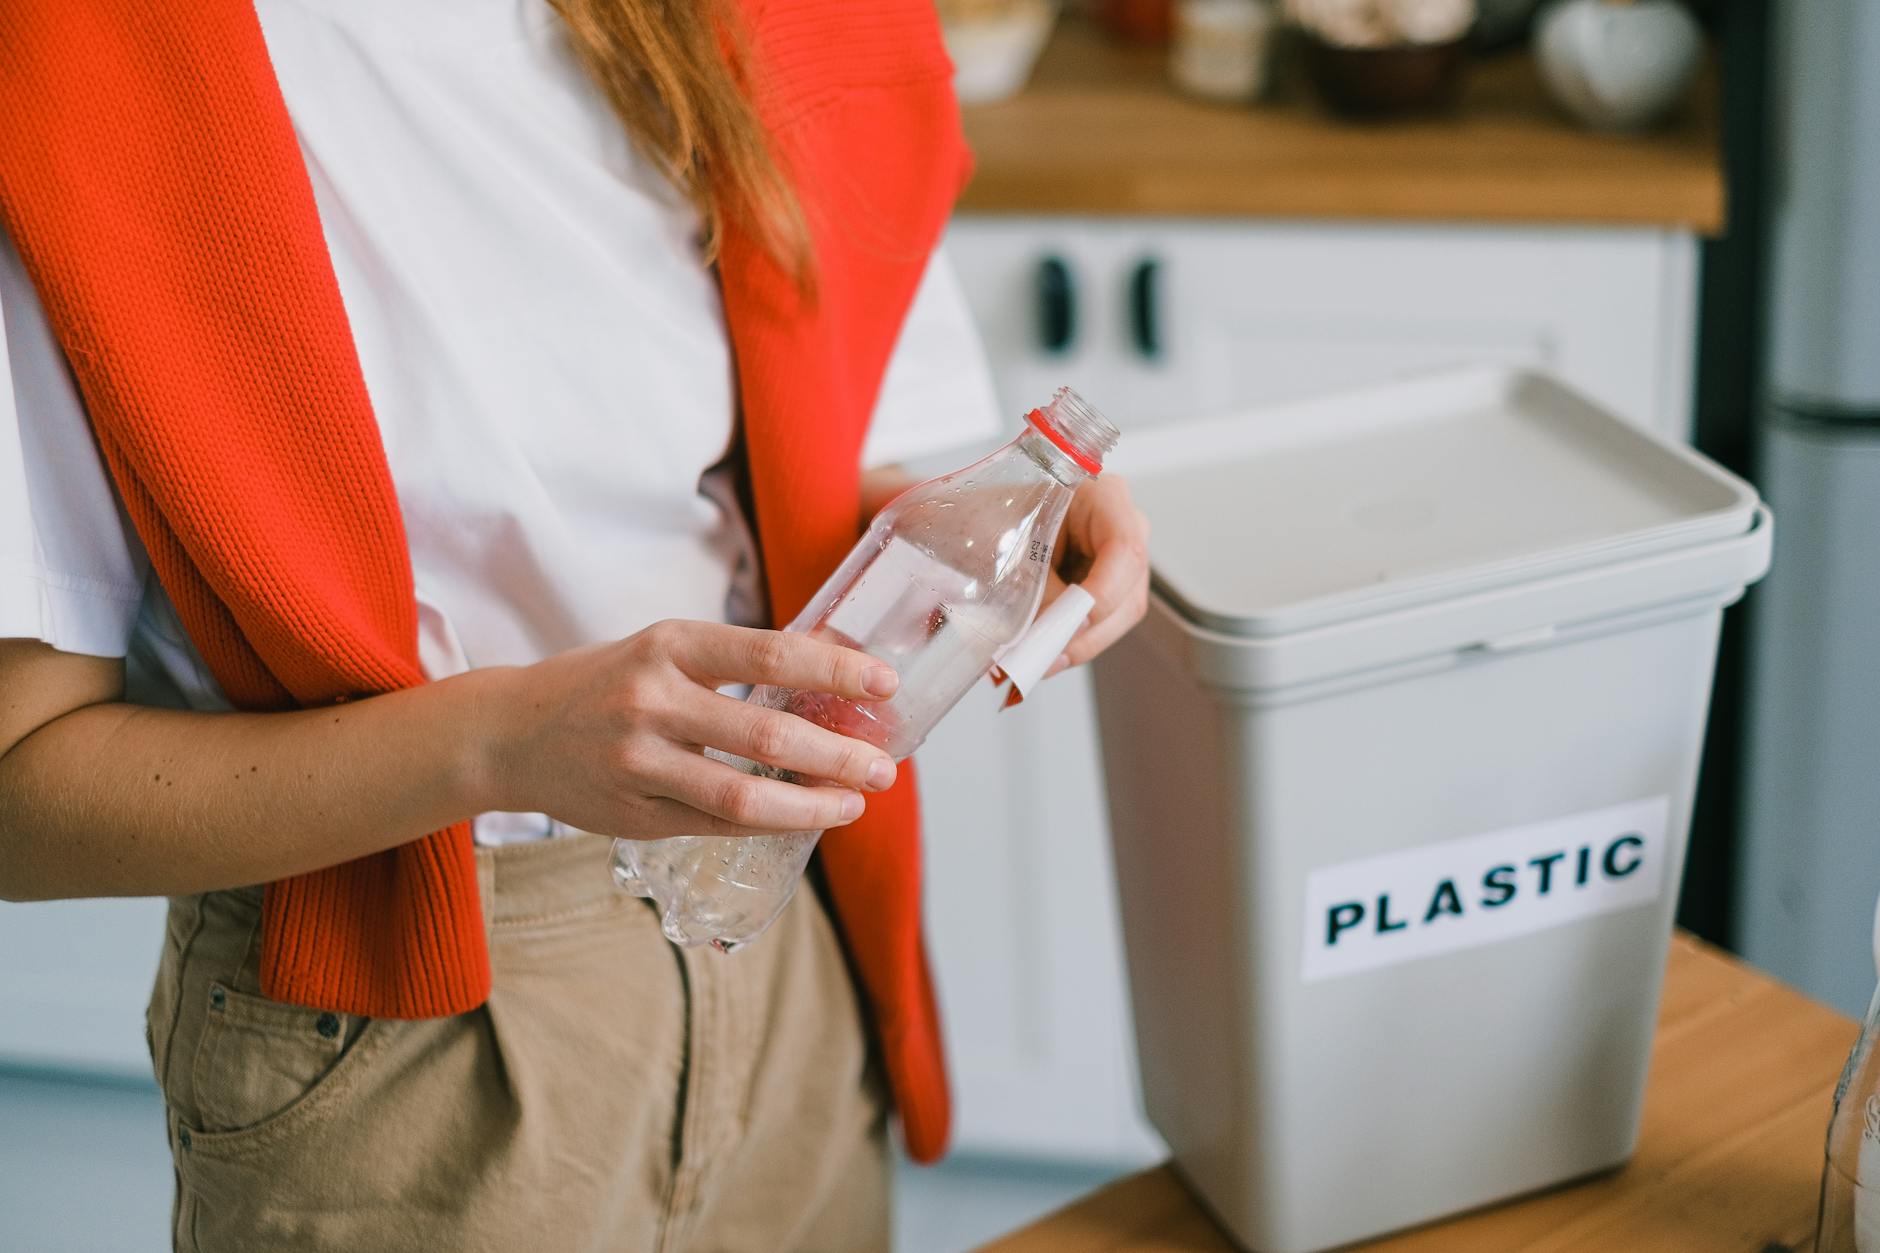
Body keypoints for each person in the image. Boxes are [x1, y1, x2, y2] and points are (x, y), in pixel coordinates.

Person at [0, 1, 1150, 1250]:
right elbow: (18, 790)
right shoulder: (71, 75)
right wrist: (499, 740)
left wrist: (998, 525)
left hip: (775, 959)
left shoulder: (760, 22)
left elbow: (828, 458)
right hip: (402, 1022)